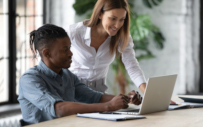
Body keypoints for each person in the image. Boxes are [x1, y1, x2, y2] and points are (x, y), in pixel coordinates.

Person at [17, 24, 142, 125]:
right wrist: (109, 106)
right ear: (47, 53)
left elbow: (94, 97)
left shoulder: (67, 75)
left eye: (70, 48)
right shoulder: (29, 79)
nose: (71, 54)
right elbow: (59, 109)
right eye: (65, 49)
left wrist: (126, 99)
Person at [67, 0, 147, 94]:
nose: (117, 25)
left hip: (99, 94)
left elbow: (132, 66)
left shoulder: (121, 36)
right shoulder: (74, 33)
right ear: (100, 14)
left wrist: (149, 94)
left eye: (122, 20)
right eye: (113, 18)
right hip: (72, 91)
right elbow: (54, 63)